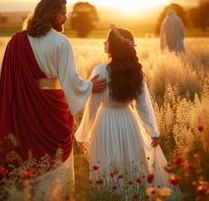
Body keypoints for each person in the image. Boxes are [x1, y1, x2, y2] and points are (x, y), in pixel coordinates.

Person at [0, 0, 106, 200]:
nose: (66, 19)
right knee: (54, 163)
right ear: (51, 14)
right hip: (51, 111)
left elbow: (3, 76)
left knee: (24, 156)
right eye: (63, 14)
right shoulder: (61, 42)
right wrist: (89, 86)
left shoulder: (16, 40)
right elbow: (70, 79)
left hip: (21, 112)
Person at [75, 25, 181, 200]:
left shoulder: (100, 71)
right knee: (130, 165)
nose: (104, 43)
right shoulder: (135, 71)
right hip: (128, 121)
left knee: (108, 166)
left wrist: (83, 134)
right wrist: (152, 131)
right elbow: (143, 106)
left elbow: (92, 107)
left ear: (114, 45)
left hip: (105, 123)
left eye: (107, 40)